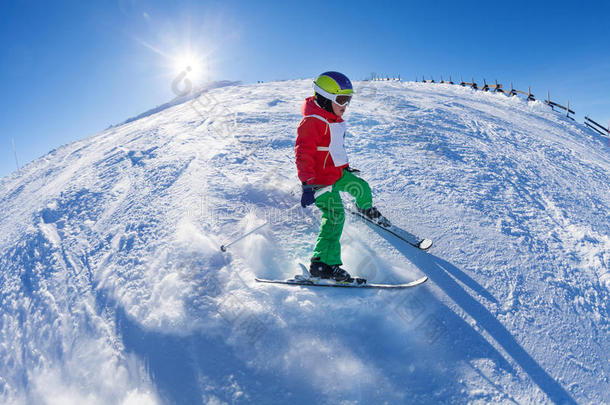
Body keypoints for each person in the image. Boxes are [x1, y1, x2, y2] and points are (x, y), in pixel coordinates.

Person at [295, 71, 390, 282]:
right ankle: (322, 264)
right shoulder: (312, 122)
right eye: (341, 99)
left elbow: (333, 149)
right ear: (324, 97)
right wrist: (308, 184)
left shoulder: (334, 120)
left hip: (337, 173)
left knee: (361, 186)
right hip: (319, 182)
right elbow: (304, 155)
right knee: (335, 217)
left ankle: (364, 207)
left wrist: (345, 167)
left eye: (348, 99)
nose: (345, 104)